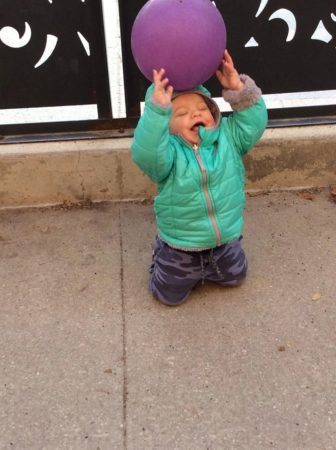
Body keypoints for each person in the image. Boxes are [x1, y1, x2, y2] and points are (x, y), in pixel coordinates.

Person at [131, 50, 268, 306]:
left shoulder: (229, 137)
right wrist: (157, 112)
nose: (194, 114)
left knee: (236, 277)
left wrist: (237, 89)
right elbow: (145, 154)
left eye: (201, 108)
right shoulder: (167, 154)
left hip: (225, 240)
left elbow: (254, 123)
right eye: (180, 113)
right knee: (167, 297)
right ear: (167, 128)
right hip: (181, 246)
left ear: (213, 111)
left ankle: (214, 268)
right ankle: (161, 257)